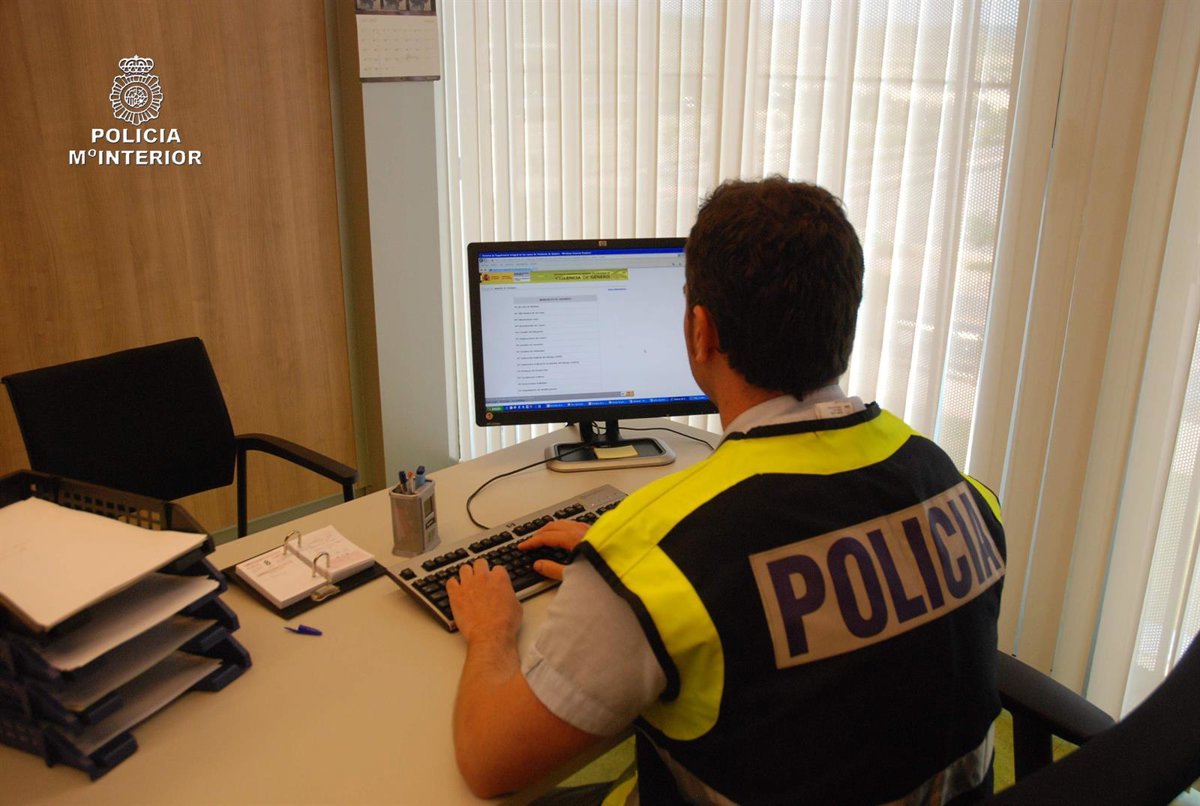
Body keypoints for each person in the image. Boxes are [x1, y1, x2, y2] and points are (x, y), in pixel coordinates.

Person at [446, 177, 1006, 804]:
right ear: (845, 317)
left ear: (701, 330)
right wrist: (626, 558)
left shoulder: (662, 559)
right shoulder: (961, 491)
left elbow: (489, 761)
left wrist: (493, 631)